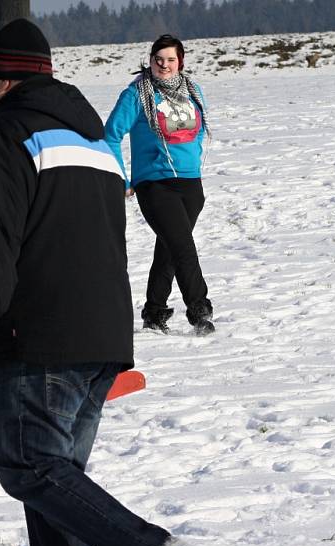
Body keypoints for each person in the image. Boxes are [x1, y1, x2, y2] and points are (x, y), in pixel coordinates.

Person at [0, 19, 198, 546]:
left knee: (28, 466)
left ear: (2, 82)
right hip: (102, 337)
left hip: (40, 341)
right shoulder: (94, 143)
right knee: (59, 486)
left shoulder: (5, 137)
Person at [105, 34, 214, 335]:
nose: (163, 65)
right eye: (158, 59)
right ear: (150, 60)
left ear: (180, 62)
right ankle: (199, 309)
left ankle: (154, 312)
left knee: (170, 248)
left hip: (190, 183)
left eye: (170, 60)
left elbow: (199, 130)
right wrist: (121, 178)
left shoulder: (193, 90)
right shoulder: (137, 95)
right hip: (155, 183)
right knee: (183, 246)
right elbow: (111, 135)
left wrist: (191, 161)